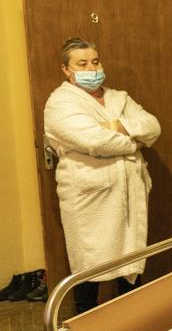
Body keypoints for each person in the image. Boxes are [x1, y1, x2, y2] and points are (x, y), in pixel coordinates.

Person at [44, 38, 161, 313]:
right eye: (82, 63)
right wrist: (133, 142)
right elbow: (93, 140)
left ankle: (131, 324)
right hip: (89, 198)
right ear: (66, 70)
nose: (91, 67)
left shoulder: (119, 97)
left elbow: (152, 126)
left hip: (128, 192)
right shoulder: (60, 102)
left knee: (131, 261)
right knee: (89, 264)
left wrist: (116, 125)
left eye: (95, 61)